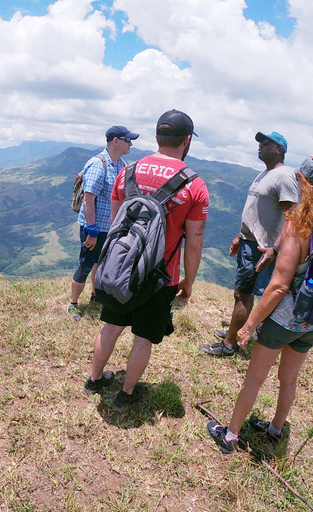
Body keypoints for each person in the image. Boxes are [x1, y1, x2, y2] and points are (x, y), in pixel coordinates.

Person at [207, 153, 313, 453]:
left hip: (285, 320)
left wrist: (248, 326)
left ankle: (230, 435)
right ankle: (274, 430)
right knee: (288, 380)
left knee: (254, 380)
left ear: (304, 185)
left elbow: (278, 287)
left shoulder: (298, 225)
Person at [84, 110, 209, 406]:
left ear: (156, 137)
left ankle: (95, 379)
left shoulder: (127, 172)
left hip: (121, 269)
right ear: (187, 140)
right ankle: (127, 393)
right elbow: (194, 244)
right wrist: (187, 282)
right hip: (159, 275)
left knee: (111, 326)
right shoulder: (194, 185)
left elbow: (117, 224)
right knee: (143, 337)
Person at [201, 131, 298, 357]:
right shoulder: (264, 174)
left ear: (279, 149)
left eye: (265, 143)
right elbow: (256, 213)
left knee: (243, 293)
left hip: (260, 248)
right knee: (243, 293)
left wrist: (274, 249)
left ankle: (228, 345)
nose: (259, 146)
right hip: (248, 242)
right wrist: (239, 235)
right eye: (259, 143)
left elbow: (292, 217)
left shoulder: (284, 177)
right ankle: (234, 332)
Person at [68, 126, 139, 321]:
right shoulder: (99, 165)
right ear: (115, 140)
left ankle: (95, 297)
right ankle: (73, 304)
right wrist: (91, 231)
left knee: (101, 265)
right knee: (86, 264)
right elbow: (88, 200)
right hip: (94, 228)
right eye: (127, 140)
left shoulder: (121, 165)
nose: (131, 143)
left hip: (110, 228)